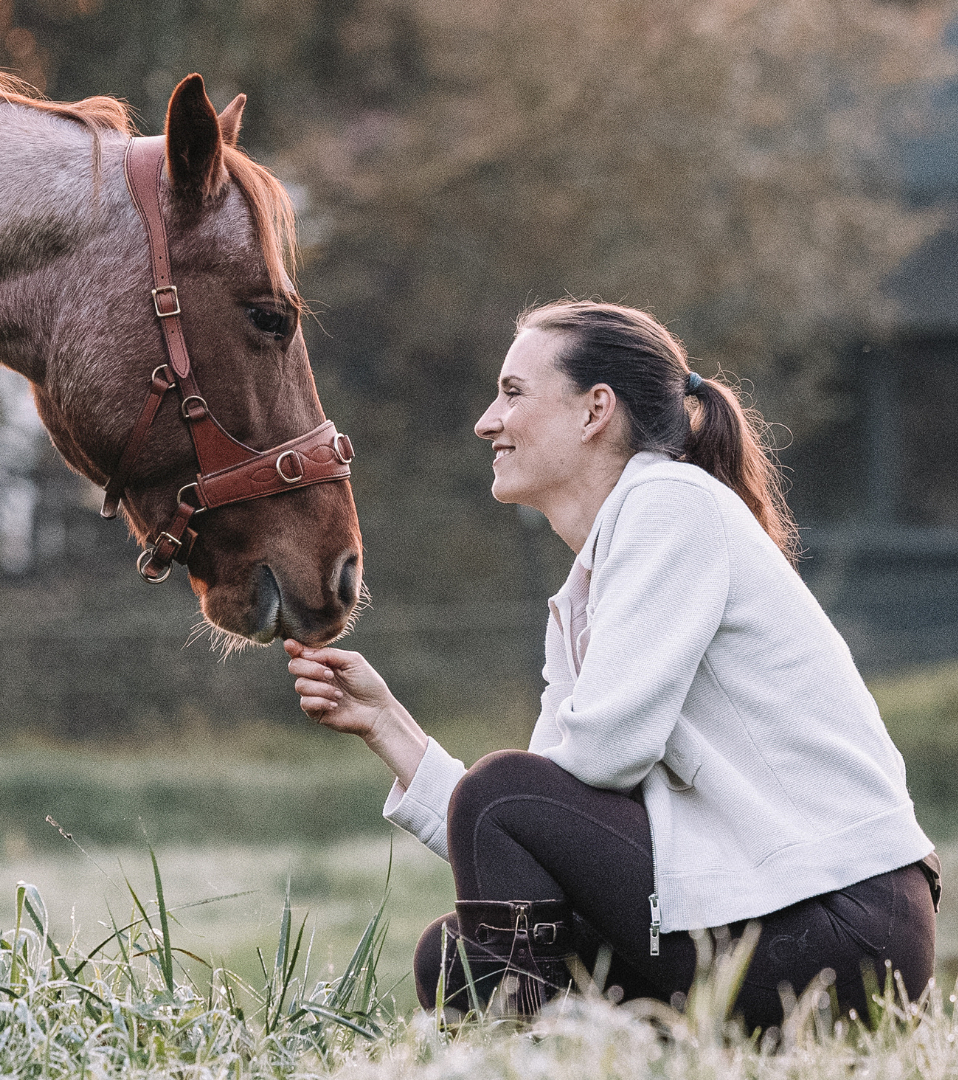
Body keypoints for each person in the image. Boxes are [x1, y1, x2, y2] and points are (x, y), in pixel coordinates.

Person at [284, 299, 940, 1030]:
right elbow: (522, 846)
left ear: (596, 408)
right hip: (754, 920)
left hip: (842, 931)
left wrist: (502, 804)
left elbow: (571, 775)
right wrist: (387, 723)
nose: (485, 422)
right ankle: (549, 1049)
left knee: (503, 797)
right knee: (455, 955)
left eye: (512, 393)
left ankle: (525, 1056)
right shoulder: (587, 589)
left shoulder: (671, 504)